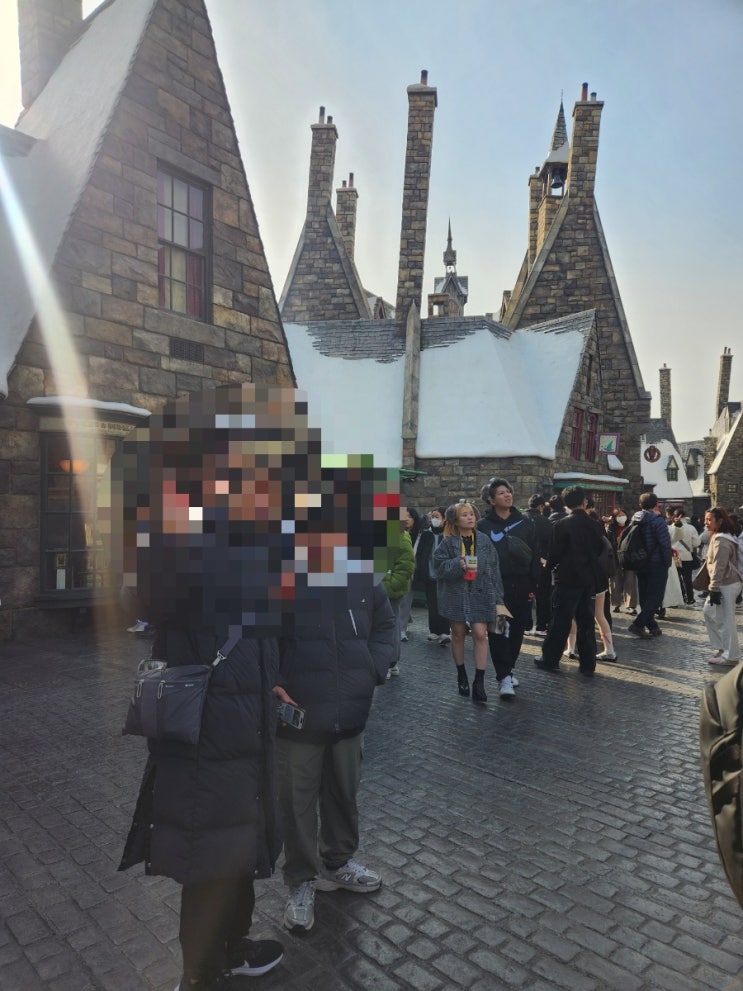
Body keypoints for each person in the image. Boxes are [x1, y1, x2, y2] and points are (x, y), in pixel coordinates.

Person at [116, 385, 356, 991]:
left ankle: (233, 946)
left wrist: (273, 681)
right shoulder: (180, 534)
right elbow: (147, 593)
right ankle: (199, 973)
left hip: (249, 718)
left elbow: (262, 625)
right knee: (209, 852)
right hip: (208, 730)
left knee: (239, 846)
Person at [278, 573, 395, 933]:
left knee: (344, 791)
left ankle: (337, 862)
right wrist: (275, 681)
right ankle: (301, 879)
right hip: (299, 711)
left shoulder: (364, 576)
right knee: (297, 801)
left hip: (350, 709)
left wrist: (373, 668)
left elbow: (386, 626)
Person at [434, 502, 505, 701]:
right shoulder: (447, 542)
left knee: (480, 634)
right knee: (457, 634)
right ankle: (461, 674)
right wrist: (457, 564)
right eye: (464, 515)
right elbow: (438, 568)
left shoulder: (483, 540)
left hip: (481, 594)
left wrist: (499, 597)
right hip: (456, 595)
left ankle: (479, 682)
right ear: (455, 520)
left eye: (471, 514)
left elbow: (495, 569)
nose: (470, 517)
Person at [536, 485, 606, 675]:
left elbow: (554, 554)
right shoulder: (595, 525)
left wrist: (548, 567)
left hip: (567, 578)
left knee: (560, 620)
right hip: (588, 578)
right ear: (584, 501)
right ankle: (588, 664)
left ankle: (550, 659)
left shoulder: (561, 525)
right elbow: (600, 550)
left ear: (566, 503)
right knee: (586, 622)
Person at [477, 478, 539, 687]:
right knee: (499, 630)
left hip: (522, 585)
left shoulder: (525, 523)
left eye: (508, 491)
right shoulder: (483, 526)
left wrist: (534, 582)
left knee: (518, 629)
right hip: (495, 587)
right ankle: (503, 675)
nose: (507, 495)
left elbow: (536, 553)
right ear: (491, 500)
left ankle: (508, 669)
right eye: (501, 493)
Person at [627, 492, 672, 640]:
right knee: (656, 597)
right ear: (656, 504)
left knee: (645, 595)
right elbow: (665, 544)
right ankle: (638, 624)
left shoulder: (634, 519)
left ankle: (653, 626)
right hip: (656, 562)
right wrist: (667, 562)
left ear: (640, 505)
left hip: (640, 561)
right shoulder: (658, 521)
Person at [703, 506, 743, 667]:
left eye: (709, 519)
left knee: (725, 620)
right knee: (709, 612)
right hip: (725, 583)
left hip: (727, 584)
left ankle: (731, 656)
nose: (706, 522)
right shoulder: (719, 537)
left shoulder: (722, 540)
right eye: (705, 519)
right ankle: (722, 648)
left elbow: (719, 566)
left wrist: (714, 589)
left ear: (719, 521)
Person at [381, 509, 415, 677]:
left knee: (390, 625)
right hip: (379, 587)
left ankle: (390, 662)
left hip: (389, 589)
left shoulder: (401, 536)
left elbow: (406, 565)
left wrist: (391, 585)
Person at [415, 507, 451, 645]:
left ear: (444, 519)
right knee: (432, 604)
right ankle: (434, 630)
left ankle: (445, 631)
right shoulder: (426, 534)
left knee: (444, 603)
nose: (434, 519)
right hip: (429, 574)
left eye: (437, 516)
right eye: (432, 517)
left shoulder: (448, 535)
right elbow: (420, 554)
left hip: (444, 576)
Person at [524, 493, 553, 636]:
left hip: (523, 564)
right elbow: (551, 544)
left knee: (524, 595)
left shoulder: (520, 520)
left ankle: (525, 625)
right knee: (543, 596)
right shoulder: (546, 522)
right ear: (541, 506)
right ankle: (541, 626)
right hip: (542, 563)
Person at [606, 507, 638, 615]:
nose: (621, 517)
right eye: (619, 515)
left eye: (623, 515)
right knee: (615, 582)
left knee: (630, 581)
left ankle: (630, 606)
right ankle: (616, 604)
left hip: (628, 558)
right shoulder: (611, 528)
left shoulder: (631, 527)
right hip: (615, 558)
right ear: (614, 518)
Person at [398, 507, 422, 640]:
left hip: (412, 571)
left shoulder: (420, 535)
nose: (406, 519)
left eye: (410, 516)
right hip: (397, 569)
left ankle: (402, 628)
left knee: (406, 600)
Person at [670, 507, 700, 605]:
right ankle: (690, 598)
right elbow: (696, 543)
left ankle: (681, 596)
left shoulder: (670, 527)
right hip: (687, 556)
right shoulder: (691, 528)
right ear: (685, 516)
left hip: (674, 557)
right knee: (687, 579)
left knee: (676, 579)